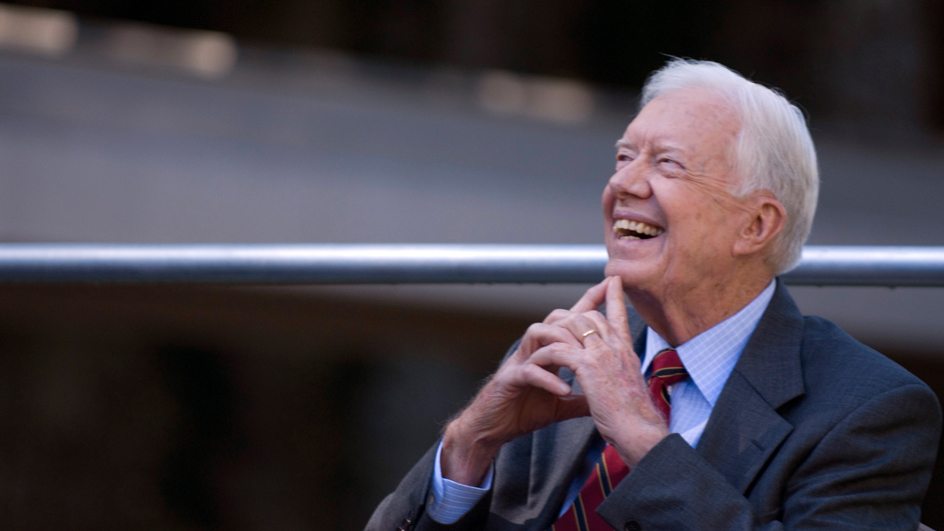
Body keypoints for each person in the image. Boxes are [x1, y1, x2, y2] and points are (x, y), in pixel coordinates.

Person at [366, 59, 941, 531]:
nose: (623, 184)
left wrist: (644, 440)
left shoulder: (867, 409)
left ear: (756, 226)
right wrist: (470, 445)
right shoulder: (563, 360)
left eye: (666, 164)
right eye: (622, 157)